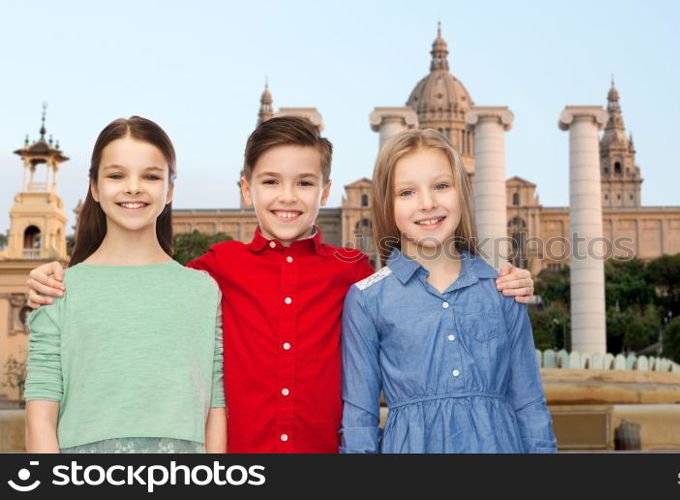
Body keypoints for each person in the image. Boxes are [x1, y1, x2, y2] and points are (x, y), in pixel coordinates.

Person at [25, 116, 535, 453]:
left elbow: (429, 293)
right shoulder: (210, 272)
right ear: (246, 187)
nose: (287, 197)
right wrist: (52, 277)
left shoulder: (358, 273)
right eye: (270, 182)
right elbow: (139, 285)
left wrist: (502, 280)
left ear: (325, 190)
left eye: (305, 183)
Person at [340, 129, 556, 453]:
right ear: (388, 204)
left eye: (441, 186)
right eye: (407, 192)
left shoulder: (503, 289)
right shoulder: (367, 299)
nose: (427, 203)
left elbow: (529, 404)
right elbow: (359, 419)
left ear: (462, 193)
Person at [24, 116, 226, 453]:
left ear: (170, 190)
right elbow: (40, 417)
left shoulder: (202, 291)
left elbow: (215, 407)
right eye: (117, 175)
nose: (133, 187)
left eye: (150, 176)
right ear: (94, 188)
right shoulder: (58, 289)